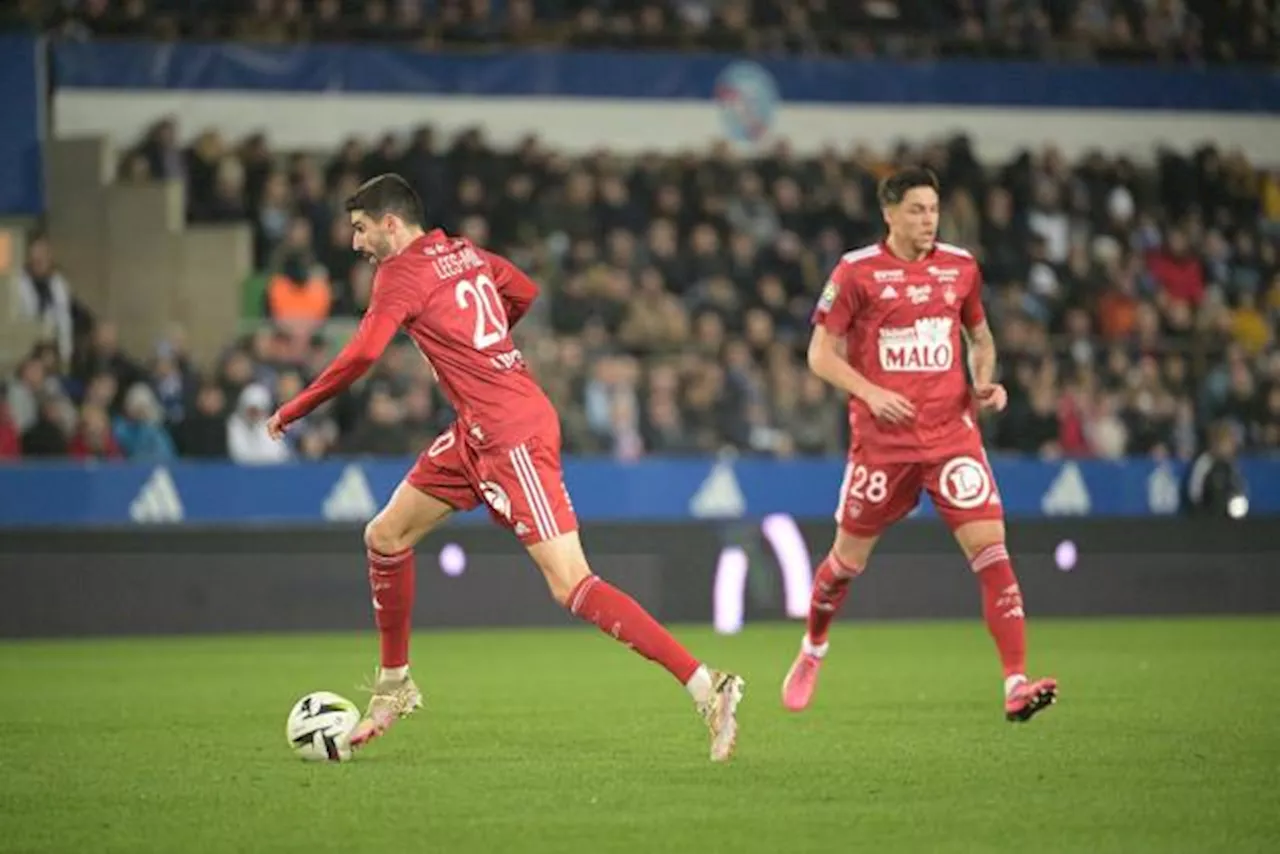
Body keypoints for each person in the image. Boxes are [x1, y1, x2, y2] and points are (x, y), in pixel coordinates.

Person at [267, 174, 745, 760]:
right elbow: (523, 292)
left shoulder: (400, 273)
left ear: (391, 224)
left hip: (510, 432)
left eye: (362, 230)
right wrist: (484, 350)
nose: (356, 244)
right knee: (385, 536)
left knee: (572, 583)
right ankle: (394, 685)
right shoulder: (463, 252)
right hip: (478, 428)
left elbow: (365, 352)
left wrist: (296, 407)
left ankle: (708, 686)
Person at [781, 168, 1058, 723]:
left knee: (993, 554)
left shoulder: (961, 268)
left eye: (932, 209)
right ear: (889, 213)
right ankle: (813, 648)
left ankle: (1015, 682)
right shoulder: (857, 273)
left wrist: (982, 380)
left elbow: (980, 338)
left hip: (952, 438)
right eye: (915, 210)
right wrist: (870, 392)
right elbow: (819, 354)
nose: (928, 220)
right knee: (844, 564)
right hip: (883, 445)